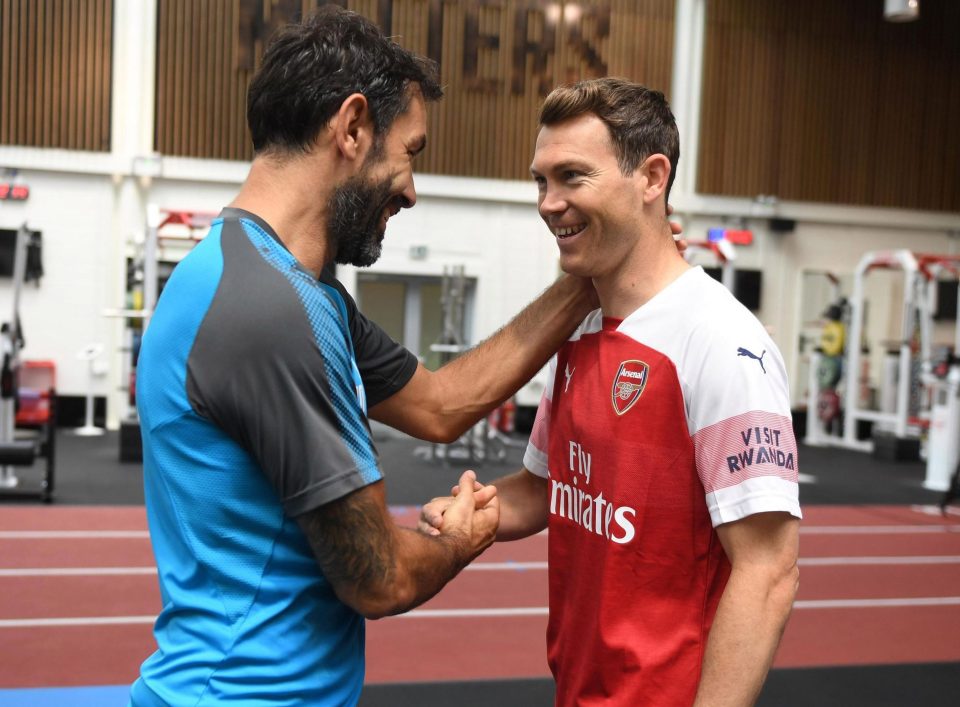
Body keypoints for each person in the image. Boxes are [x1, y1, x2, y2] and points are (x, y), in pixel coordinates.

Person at [128, 7, 611, 705]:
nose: (411, 189)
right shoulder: (268, 310)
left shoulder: (286, 286)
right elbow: (377, 575)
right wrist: (463, 537)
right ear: (352, 129)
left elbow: (440, 404)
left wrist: (582, 281)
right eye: (410, 152)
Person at [421, 78, 802, 707]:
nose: (548, 202)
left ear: (652, 178)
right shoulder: (578, 333)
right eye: (541, 181)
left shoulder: (722, 342)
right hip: (577, 687)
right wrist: (482, 510)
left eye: (572, 176)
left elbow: (768, 571)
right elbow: (551, 489)